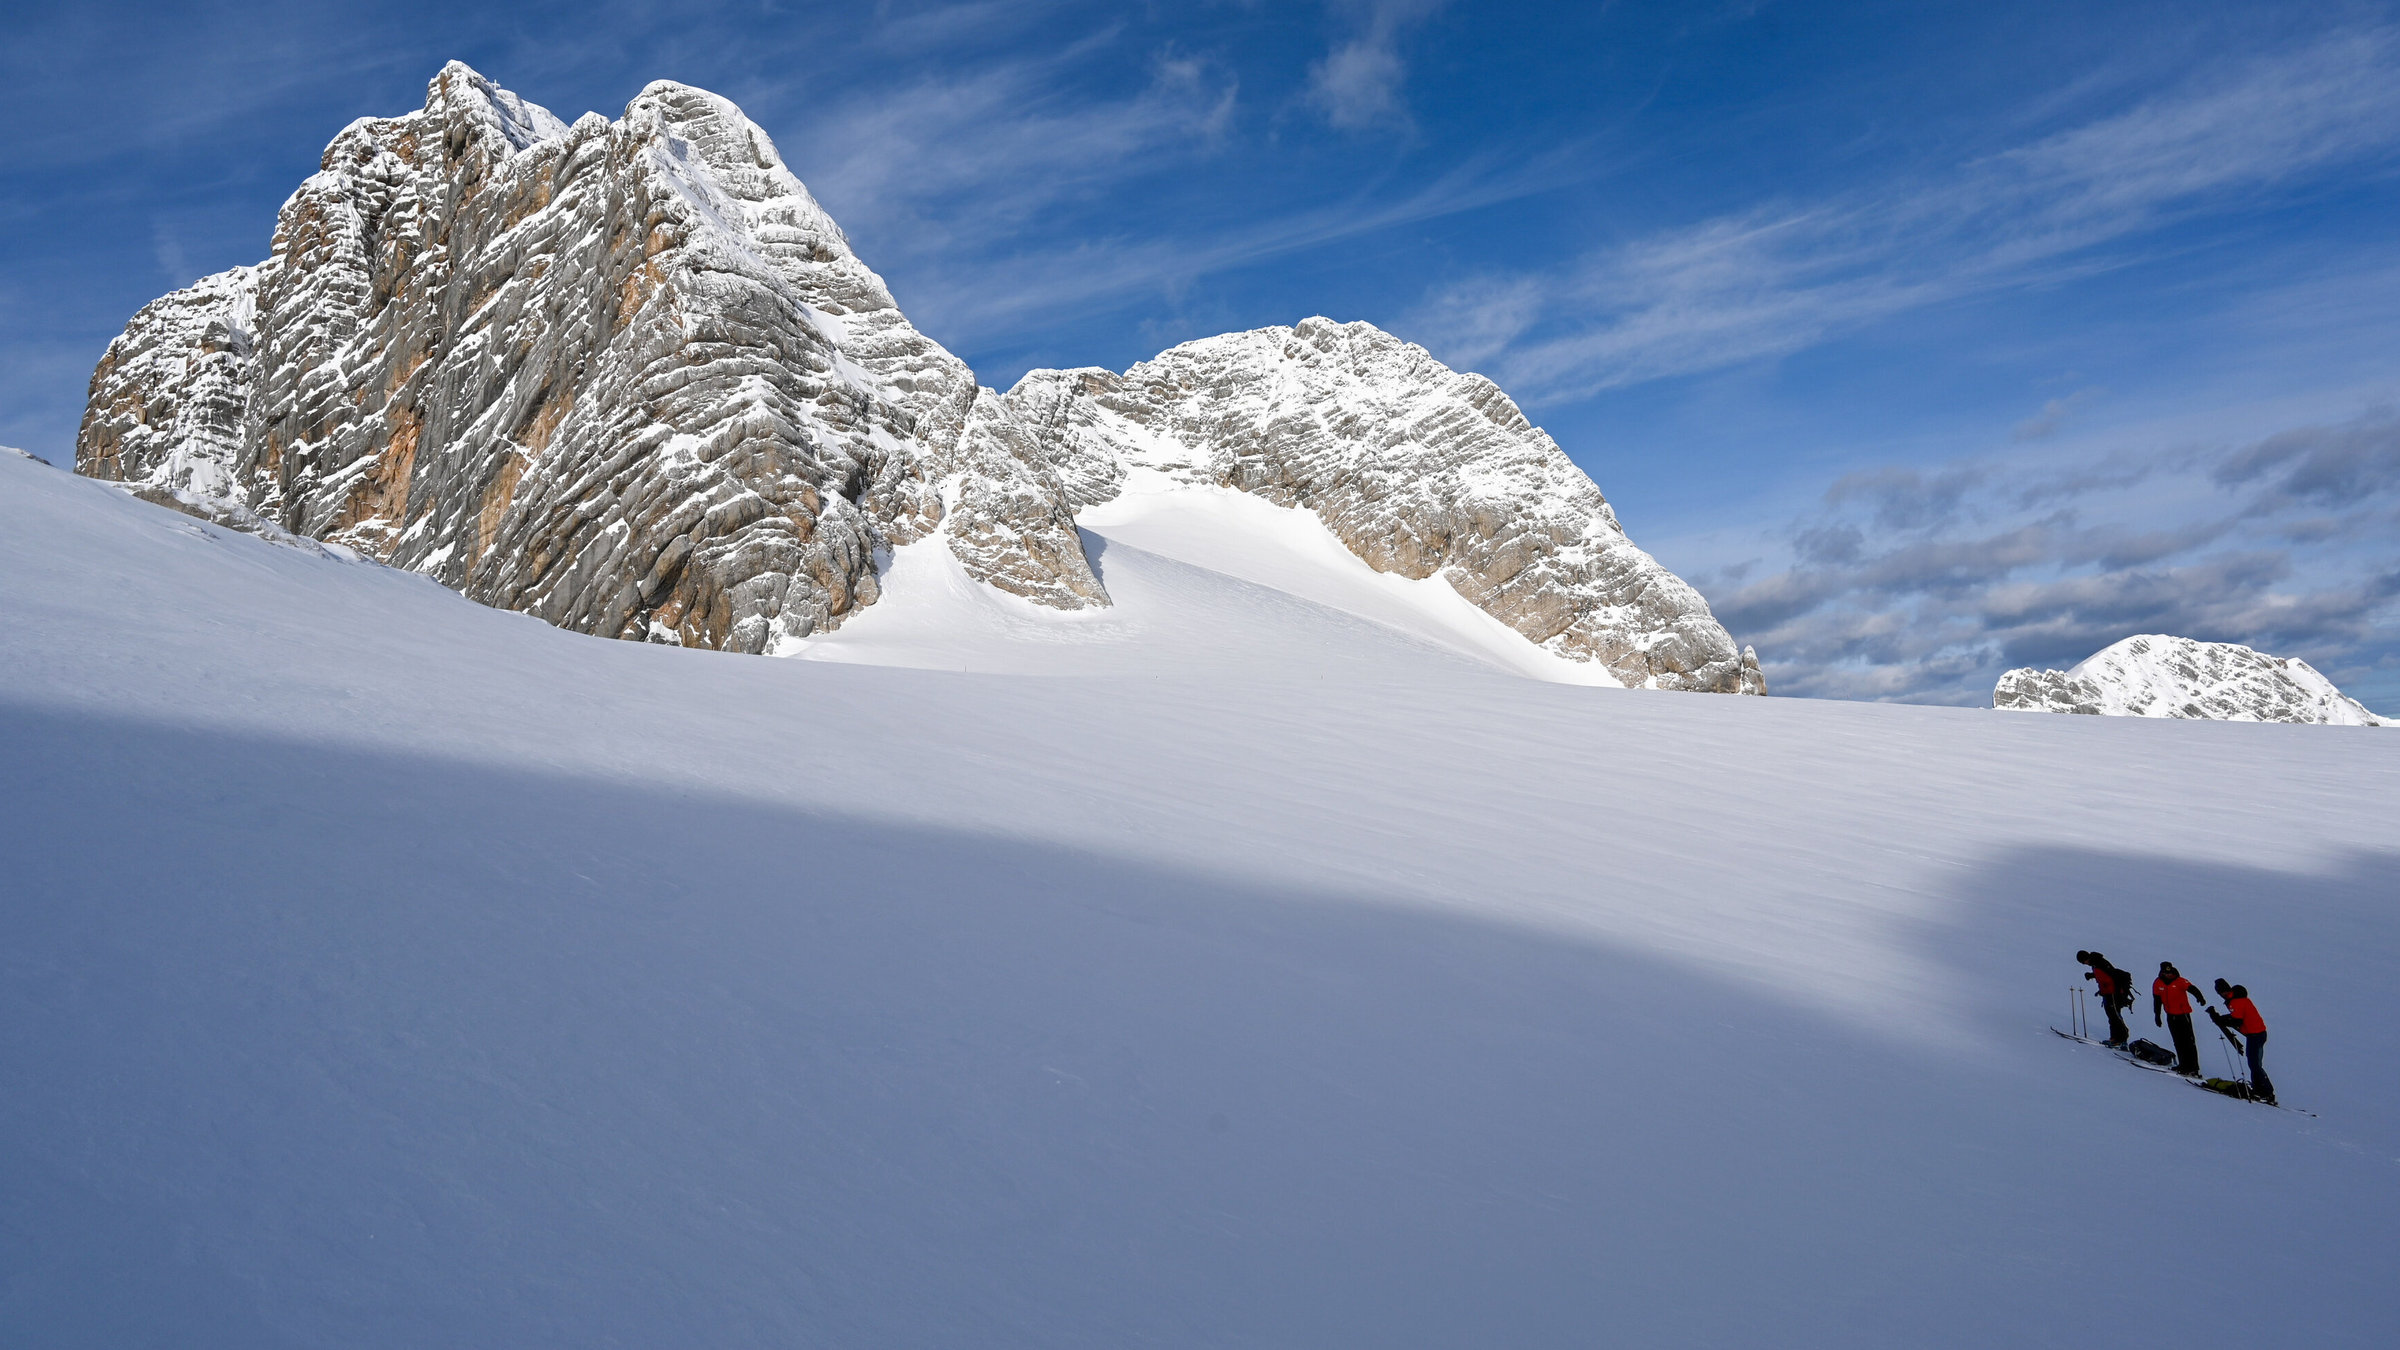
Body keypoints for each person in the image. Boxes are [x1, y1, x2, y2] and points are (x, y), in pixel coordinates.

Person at [2210, 978, 2275, 1105]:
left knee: (2255, 1064)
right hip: (2254, 1034)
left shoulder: (2236, 1001)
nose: (2222, 994)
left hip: (2256, 1035)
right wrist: (2222, 1019)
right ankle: (2259, 1089)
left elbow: (2237, 1020)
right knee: (2253, 1063)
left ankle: (2267, 1092)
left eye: (2223, 991)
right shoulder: (2235, 998)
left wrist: (2221, 1019)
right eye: (2220, 992)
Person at [2150, 962, 2211, 1076]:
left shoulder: (2180, 981)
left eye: (2170, 972)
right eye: (2166, 973)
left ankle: (2193, 1067)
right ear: (2162, 972)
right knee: (2178, 1041)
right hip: (2170, 1015)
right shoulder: (2158, 983)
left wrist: (2200, 998)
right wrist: (2157, 1015)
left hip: (2183, 1015)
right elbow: (2157, 1001)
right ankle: (2183, 1065)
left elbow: (2192, 988)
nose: (2168, 975)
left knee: (2188, 1041)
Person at [2077, 950, 2130, 1046]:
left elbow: (2112, 976)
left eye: (2083, 962)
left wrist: (2116, 993)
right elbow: (2102, 976)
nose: (2084, 964)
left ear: (2085, 958)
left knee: (2115, 1016)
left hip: (2113, 993)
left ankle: (2122, 1039)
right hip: (2107, 993)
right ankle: (2115, 1038)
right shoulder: (2095, 963)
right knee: (2111, 1016)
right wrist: (2092, 975)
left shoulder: (2099, 962)